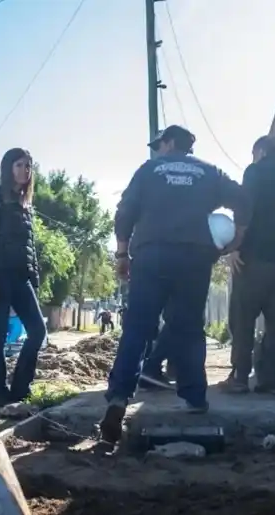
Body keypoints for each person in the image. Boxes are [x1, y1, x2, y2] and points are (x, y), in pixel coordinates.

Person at [99, 125, 252, 444]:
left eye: (160, 144)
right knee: (189, 327)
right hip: (194, 257)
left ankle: (118, 398)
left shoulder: (149, 169)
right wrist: (236, 239)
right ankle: (195, 397)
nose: (158, 149)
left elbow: (125, 210)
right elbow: (243, 199)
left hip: (152, 253)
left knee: (138, 327)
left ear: (169, 144)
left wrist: (123, 252)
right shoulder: (210, 172)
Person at [220, 135, 275, 395]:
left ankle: (239, 377)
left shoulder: (255, 172)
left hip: (254, 258)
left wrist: (235, 245)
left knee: (242, 317)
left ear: (260, 152)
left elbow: (245, 209)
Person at [0, 148, 47, 413]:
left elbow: (29, 246)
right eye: (19, 165)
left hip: (21, 278)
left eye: (29, 165)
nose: (25, 170)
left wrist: (34, 280)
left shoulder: (25, 202)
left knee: (37, 331)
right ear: (8, 168)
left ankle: (20, 390)